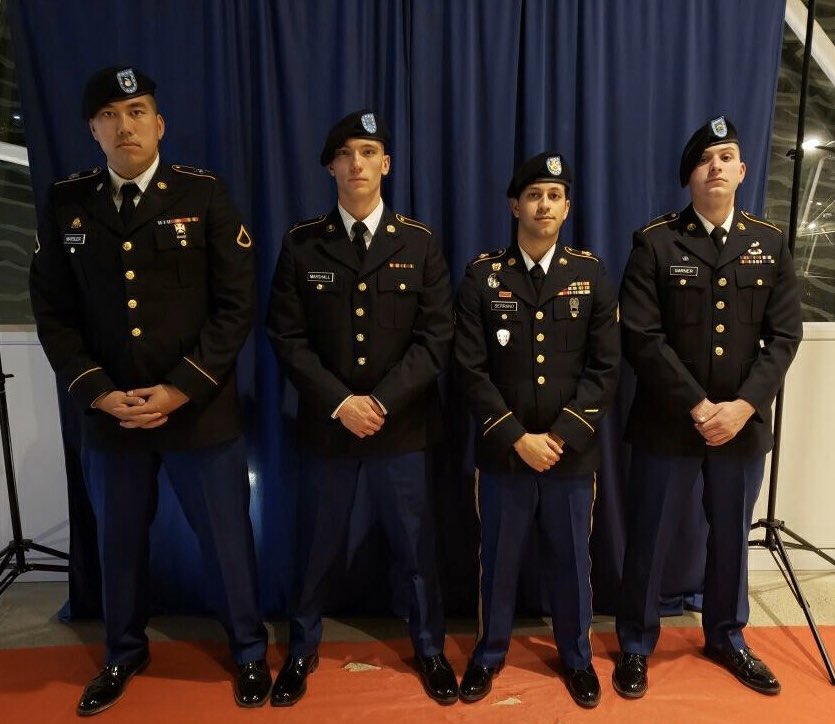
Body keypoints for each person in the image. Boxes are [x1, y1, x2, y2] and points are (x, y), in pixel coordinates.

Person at [29, 66, 270, 715]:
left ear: (158, 123)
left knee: (226, 543)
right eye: (109, 115)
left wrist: (180, 388)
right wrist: (97, 392)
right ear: (93, 130)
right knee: (119, 547)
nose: (124, 125)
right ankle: (123, 652)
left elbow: (235, 305)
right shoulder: (67, 202)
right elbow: (53, 312)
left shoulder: (203, 194)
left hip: (198, 410)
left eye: (136, 111)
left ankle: (249, 650)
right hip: (111, 413)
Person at [266, 109, 458, 706]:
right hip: (329, 426)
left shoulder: (419, 242)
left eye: (369, 152)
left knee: (416, 548)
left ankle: (429, 648)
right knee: (316, 547)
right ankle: (301, 649)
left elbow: (436, 338)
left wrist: (379, 401)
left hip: (401, 426)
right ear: (331, 166)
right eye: (346, 154)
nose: (357, 164)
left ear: (386, 164)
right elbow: (286, 337)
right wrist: (340, 403)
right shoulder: (302, 243)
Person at [614, 116, 803, 698]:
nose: (715, 166)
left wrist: (743, 407)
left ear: (743, 171)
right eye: (704, 159)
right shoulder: (655, 242)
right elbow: (642, 337)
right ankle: (636, 642)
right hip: (668, 423)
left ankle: (726, 635)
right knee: (649, 536)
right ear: (689, 176)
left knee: (730, 539)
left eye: (725, 157)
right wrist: (699, 406)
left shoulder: (769, 243)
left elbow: (785, 336)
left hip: (741, 427)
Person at [453, 152, 620, 708]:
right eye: (533, 195)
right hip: (505, 453)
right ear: (514, 206)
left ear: (567, 208)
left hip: (571, 456)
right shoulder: (483, 276)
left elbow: (605, 367)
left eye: (554, 195)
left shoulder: (590, 275)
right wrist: (516, 437)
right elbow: (469, 368)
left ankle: (577, 657)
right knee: (498, 561)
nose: (544, 204)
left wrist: (562, 435)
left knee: (572, 561)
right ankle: (488, 654)